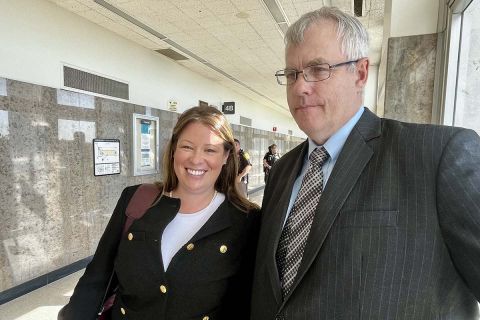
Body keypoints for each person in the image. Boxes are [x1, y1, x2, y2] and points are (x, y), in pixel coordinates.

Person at [251, 6, 480, 320]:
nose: (300, 87)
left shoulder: (437, 156)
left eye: (318, 69)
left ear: (360, 73)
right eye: (292, 74)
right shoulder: (282, 171)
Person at [59, 106, 260, 320]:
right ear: (174, 149)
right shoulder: (136, 199)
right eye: (187, 147)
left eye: (210, 150)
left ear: (226, 155)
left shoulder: (245, 219)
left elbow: (244, 303)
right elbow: (97, 277)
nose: (196, 159)